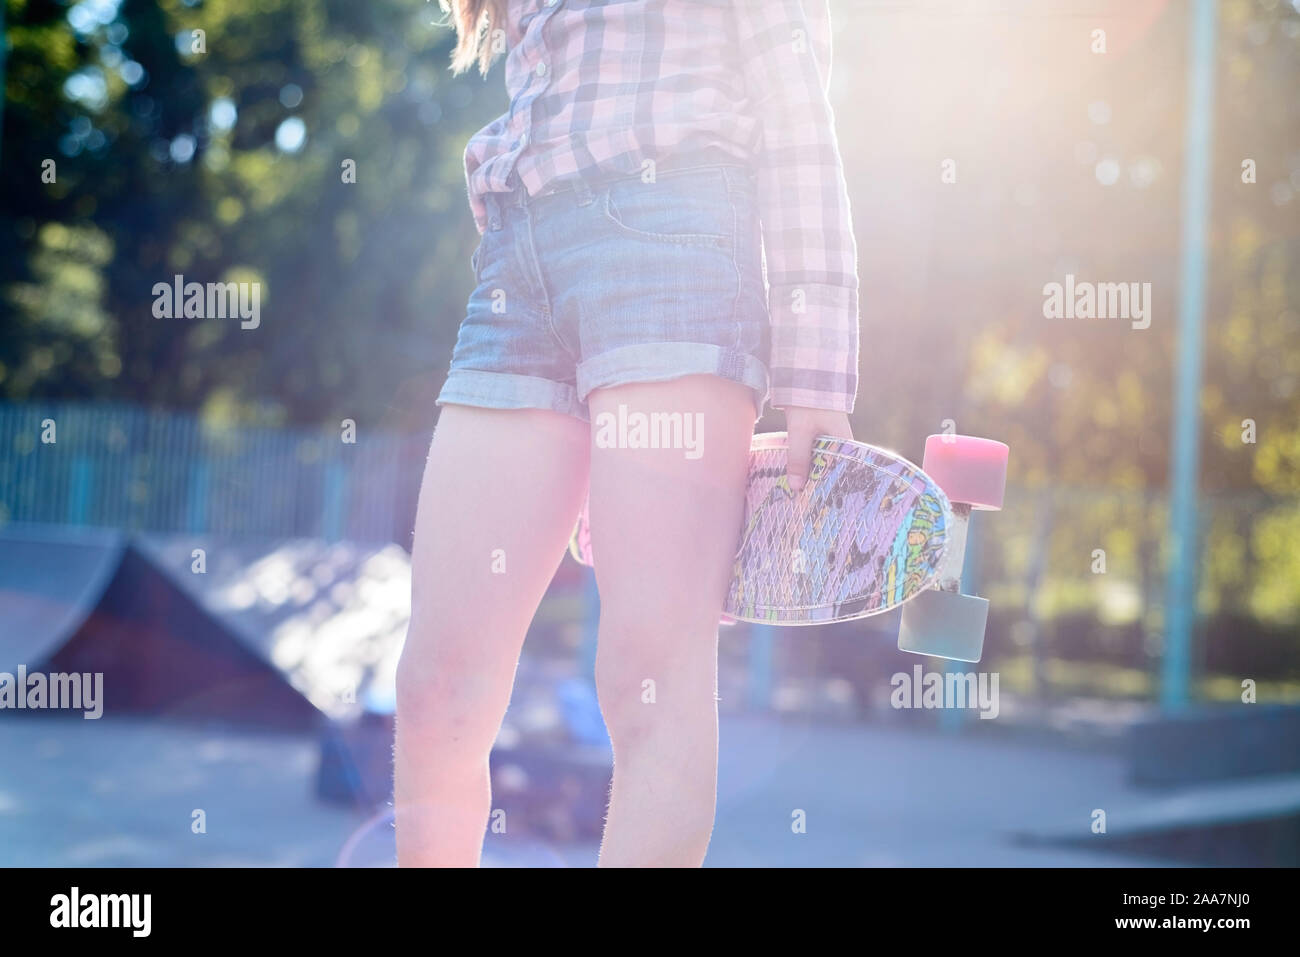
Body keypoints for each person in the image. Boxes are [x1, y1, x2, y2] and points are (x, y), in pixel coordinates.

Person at [396, 0, 859, 867]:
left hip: (675, 243)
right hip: (515, 267)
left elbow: (796, 109)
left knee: (648, 678)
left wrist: (816, 376)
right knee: (435, 690)